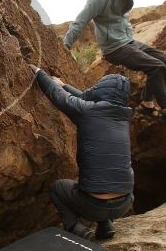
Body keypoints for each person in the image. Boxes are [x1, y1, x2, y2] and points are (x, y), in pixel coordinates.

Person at [30, 64, 134, 240]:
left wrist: (39, 73)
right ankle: (105, 225)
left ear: (101, 90)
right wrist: (64, 85)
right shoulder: (123, 118)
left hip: (93, 205)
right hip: (125, 203)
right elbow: (85, 97)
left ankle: (76, 228)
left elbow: (59, 97)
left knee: (57, 188)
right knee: (112, 176)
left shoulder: (88, 112)